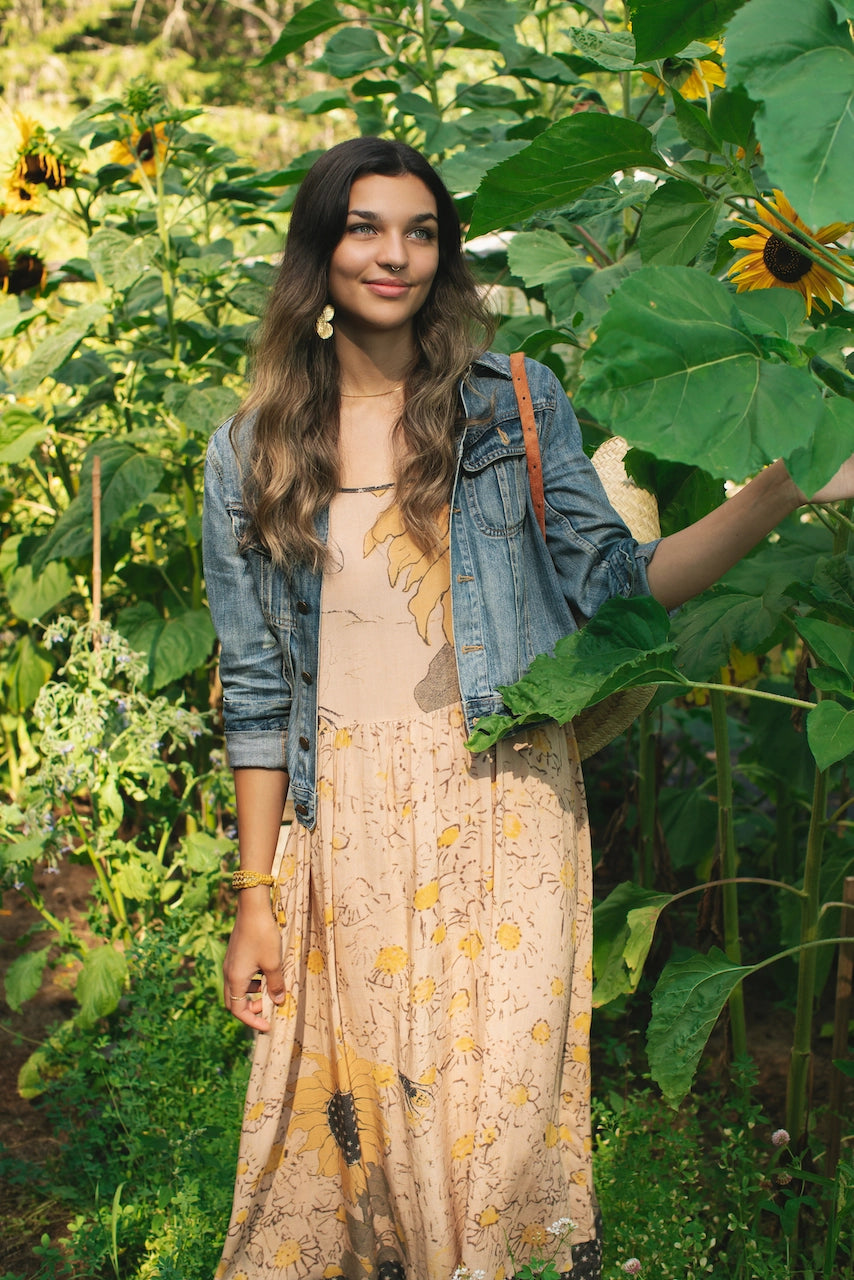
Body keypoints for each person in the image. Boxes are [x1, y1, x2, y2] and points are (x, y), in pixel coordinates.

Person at [202, 136, 854, 1280]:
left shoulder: (512, 402)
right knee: (362, 1138)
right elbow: (256, 690)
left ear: (443, 255)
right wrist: (255, 896)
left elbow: (616, 588)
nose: (392, 254)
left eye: (418, 230)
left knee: (497, 1131)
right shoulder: (249, 450)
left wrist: (775, 489)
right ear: (319, 250)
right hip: (343, 822)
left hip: (505, 808)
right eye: (363, 226)